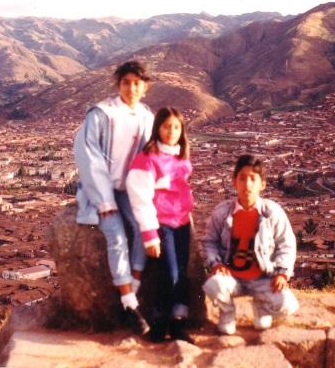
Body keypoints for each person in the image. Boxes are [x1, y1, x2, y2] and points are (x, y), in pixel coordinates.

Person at [73, 60, 154, 335]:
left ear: (145, 87)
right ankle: (130, 305)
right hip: (103, 190)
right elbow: (89, 156)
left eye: (136, 83)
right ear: (118, 85)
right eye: (126, 82)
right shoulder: (101, 114)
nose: (131, 88)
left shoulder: (146, 117)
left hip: (131, 190)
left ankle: (130, 293)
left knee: (144, 230)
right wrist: (104, 200)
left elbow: (152, 158)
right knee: (117, 237)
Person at [202, 154, 299, 335]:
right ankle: (227, 312)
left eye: (253, 179)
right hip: (231, 277)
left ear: (262, 184)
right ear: (234, 182)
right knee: (213, 285)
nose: (247, 184)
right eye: (242, 178)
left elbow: (286, 245)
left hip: (263, 278)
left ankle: (261, 306)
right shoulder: (222, 213)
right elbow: (209, 242)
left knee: (289, 305)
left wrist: (282, 274)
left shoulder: (272, 213)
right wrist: (216, 264)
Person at [126, 107, 195, 343]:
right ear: (158, 128)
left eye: (176, 127)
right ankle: (158, 324)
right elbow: (139, 197)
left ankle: (177, 324)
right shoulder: (147, 159)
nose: (172, 131)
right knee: (171, 274)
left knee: (181, 274)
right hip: (161, 224)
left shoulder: (180, 156)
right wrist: (150, 234)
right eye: (167, 126)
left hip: (182, 222)